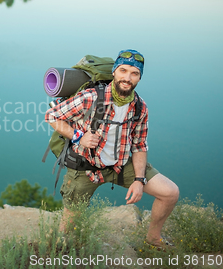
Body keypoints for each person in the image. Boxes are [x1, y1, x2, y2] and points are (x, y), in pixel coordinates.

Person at [44, 49, 179, 249]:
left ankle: (153, 238)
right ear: (114, 72)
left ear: (139, 78)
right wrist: (79, 137)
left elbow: (140, 145)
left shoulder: (140, 107)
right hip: (85, 167)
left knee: (170, 193)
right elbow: (52, 116)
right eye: (123, 71)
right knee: (66, 233)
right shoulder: (90, 97)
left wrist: (139, 180)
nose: (127, 77)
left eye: (134, 73)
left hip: (120, 164)